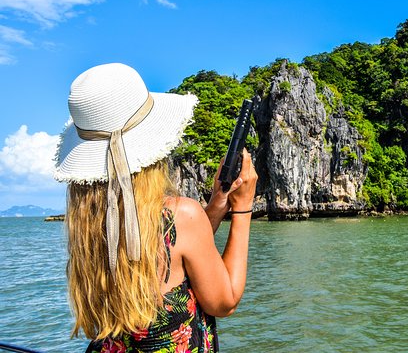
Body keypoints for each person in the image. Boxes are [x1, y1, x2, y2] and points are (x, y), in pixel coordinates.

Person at [53, 63, 257, 352]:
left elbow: (169, 250)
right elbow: (224, 301)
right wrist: (243, 209)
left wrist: (216, 206)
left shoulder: (87, 223)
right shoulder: (182, 214)